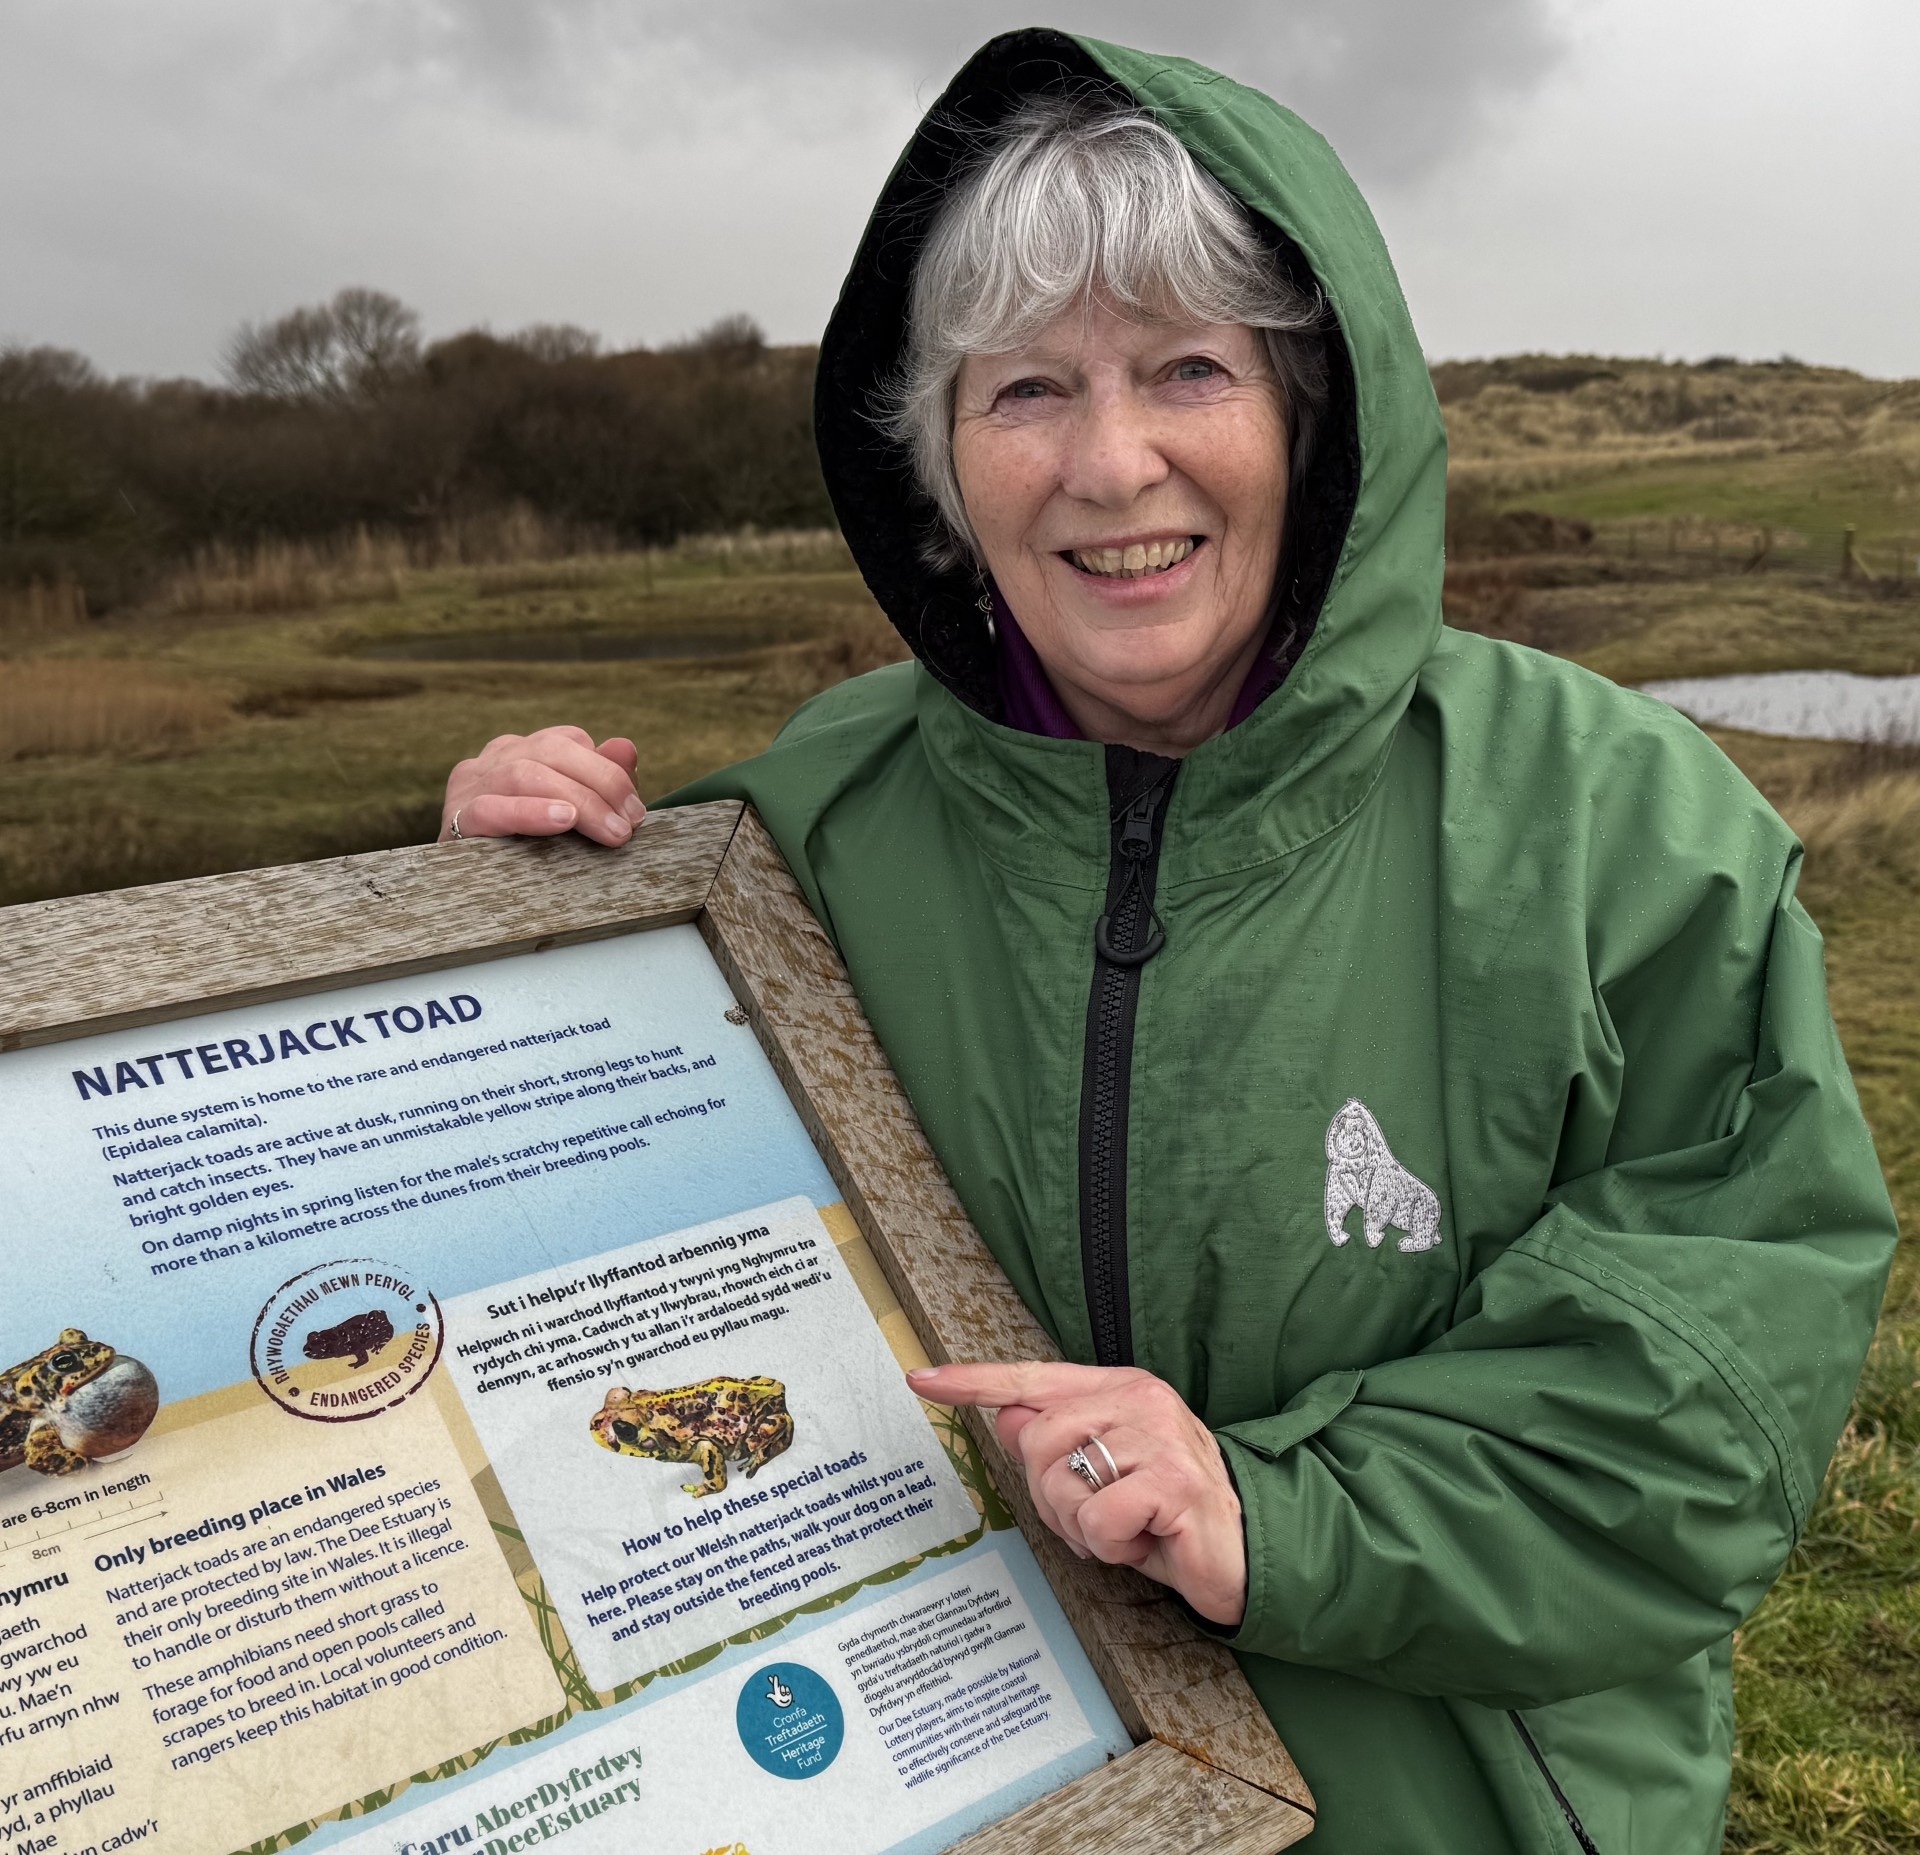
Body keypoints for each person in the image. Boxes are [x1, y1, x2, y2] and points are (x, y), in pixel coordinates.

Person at [437, 31, 1896, 1854]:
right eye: (1026, 388)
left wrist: (1271, 1518)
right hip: (959, 1790)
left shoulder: (1622, 830)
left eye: (1189, 369)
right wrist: (497, 939)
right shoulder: (790, 839)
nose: (1110, 465)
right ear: (940, 460)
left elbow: (1706, 1409)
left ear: (1312, 411)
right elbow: (596, 1263)